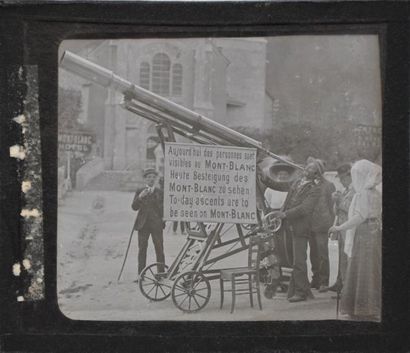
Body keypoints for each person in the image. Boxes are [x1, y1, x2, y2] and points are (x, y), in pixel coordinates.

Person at [329, 160, 382, 321]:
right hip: (374, 231)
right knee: (370, 268)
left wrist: (339, 228)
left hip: (364, 232)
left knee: (362, 269)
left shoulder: (363, 193)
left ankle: (362, 308)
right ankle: (370, 306)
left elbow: (359, 216)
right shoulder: (375, 192)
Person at [262, 159, 321, 302]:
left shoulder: (315, 189)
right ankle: (301, 290)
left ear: (316, 174)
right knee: (294, 260)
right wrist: (262, 177)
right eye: (306, 167)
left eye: (310, 169)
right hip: (291, 225)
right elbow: (279, 185)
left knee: (299, 261)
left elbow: (305, 208)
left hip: (301, 227)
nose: (306, 169)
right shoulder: (297, 182)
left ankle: (301, 292)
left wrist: (285, 214)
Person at [308, 158, 336, 292]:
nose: (309, 171)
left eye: (312, 168)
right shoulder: (308, 185)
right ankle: (316, 279)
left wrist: (331, 224)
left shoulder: (329, 185)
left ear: (318, 170)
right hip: (310, 223)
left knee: (322, 253)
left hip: (323, 224)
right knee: (313, 253)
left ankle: (324, 281)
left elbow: (332, 207)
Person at [132, 168, 165, 276]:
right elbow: (134, 207)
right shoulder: (140, 191)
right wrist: (140, 197)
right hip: (143, 225)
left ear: (155, 179)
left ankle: (161, 273)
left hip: (156, 225)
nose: (151, 179)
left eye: (153, 177)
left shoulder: (160, 192)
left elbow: (163, 209)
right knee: (142, 249)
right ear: (145, 179)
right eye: (148, 177)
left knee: (159, 248)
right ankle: (141, 275)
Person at [327, 163, 354, 292]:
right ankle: (343, 285)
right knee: (342, 259)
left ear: (350, 176)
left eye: (343, 178)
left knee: (348, 259)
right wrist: (335, 202)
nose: (342, 182)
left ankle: (348, 288)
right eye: (341, 179)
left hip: (350, 229)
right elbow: (337, 212)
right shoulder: (346, 190)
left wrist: (340, 200)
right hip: (342, 229)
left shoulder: (355, 190)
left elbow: (352, 209)